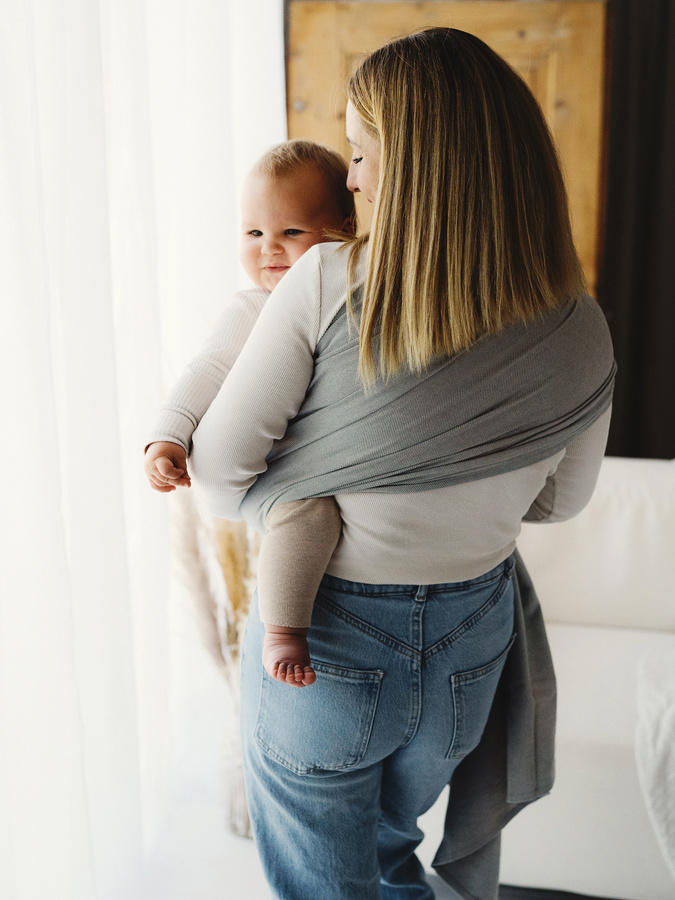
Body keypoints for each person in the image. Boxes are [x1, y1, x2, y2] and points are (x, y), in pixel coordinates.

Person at [189, 28, 616, 900]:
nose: (349, 179)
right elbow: (559, 502)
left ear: (418, 165)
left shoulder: (323, 281)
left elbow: (219, 479)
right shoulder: (580, 325)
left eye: (359, 152)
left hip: (321, 629)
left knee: (325, 881)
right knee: (391, 854)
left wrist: (328, 488)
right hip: (471, 639)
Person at [144, 139, 351, 686]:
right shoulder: (253, 307)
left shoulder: (345, 301)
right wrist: (169, 436)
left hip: (346, 464)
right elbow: (207, 369)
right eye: (253, 233)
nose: (268, 249)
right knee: (305, 515)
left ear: (344, 232)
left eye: (291, 232)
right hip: (286, 476)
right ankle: (284, 631)